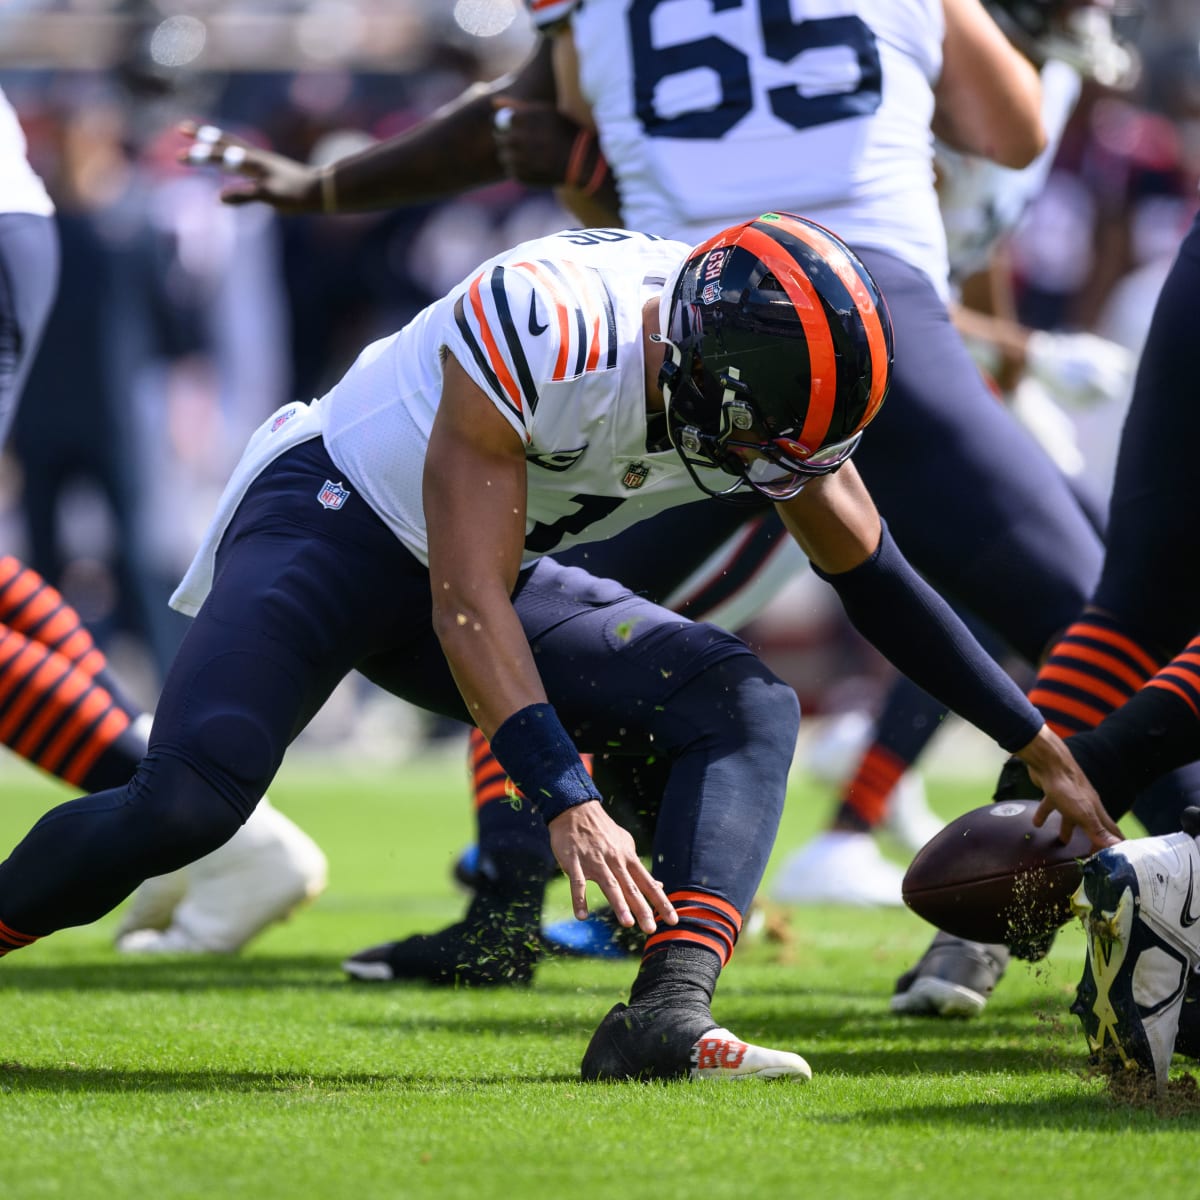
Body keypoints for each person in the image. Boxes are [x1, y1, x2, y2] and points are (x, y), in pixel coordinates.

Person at [0, 213, 1116, 1082]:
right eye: (763, 440)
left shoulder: (749, 368)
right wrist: (565, 795)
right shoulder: (549, 324)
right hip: (335, 519)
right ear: (703, 371)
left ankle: (667, 1016)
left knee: (743, 704)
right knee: (188, 804)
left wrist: (1036, 736)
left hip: (480, 565)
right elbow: (468, 603)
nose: (780, 470)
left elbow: (877, 583)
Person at [183, 0, 1136, 985]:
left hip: (679, 320)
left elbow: (512, 126)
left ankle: (505, 915)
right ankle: (1152, 860)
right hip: (862, 304)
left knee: (511, 605)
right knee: (1093, 608)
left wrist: (330, 185)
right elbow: (1010, 130)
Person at [0, 83, 326, 954]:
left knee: (138, 574)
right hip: (17, 245)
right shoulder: (82, 212)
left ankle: (202, 820)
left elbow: (175, 328)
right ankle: (192, 819)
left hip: (75, 357)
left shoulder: (133, 219)